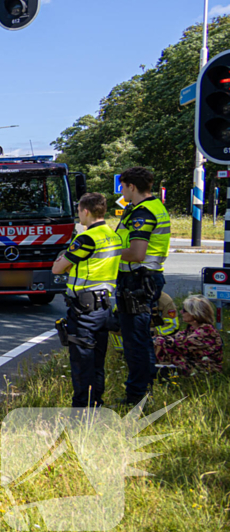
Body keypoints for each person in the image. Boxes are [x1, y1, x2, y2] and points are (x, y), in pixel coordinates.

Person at [51, 193, 122, 408]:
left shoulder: (86, 238)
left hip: (84, 309)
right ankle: (96, 403)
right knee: (97, 362)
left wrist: (62, 260)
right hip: (104, 306)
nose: (79, 215)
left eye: (79, 211)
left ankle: (82, 409)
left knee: (82, 363)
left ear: (86, 211)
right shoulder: (112, 235)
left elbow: (57, 268)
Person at [114, 166, 171, 405]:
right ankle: (144, 390)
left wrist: (106, 251)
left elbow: (137, 253)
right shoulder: (149, 207)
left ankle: (137, 396)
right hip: (144, 278)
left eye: (123, 187)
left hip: (138, 279)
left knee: (135, 340)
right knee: (141, 337)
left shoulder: (142, 213)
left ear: (131, 187)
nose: (122, 191)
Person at [154, 296, 223, 376]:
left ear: (194, 313)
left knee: (161, 345)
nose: (181, 312)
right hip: (192, 363)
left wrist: (156, 340)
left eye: (184, 310)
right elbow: (176, 338)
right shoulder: (191, 329)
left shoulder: (206, 330)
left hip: (205, 369)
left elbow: (180, 344)